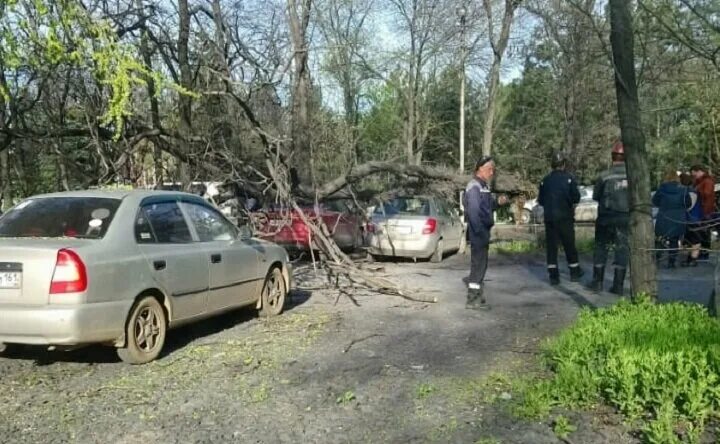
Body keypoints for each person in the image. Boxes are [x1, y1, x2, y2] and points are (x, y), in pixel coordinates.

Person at [464, 156, 507, 310]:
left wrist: (498, 203)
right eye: (489, 169)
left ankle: (477, 296)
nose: (491, 172)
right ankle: (472, 300)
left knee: (481, 265)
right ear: (480, 169)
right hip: (479, 231)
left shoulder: (483, 186)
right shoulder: (474, 186)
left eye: (492, 170)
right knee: (478, 265)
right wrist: (479, 232)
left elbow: (486, 206)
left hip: (482, 230)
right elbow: (474, 212)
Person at [588, 141, 630, 295]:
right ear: (626, 157)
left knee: (601, 247)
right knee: (622, 249)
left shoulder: (604, 175)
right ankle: (618, 286)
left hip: (605, 217)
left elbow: (595, 196)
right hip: (625, 217)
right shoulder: (632, 175)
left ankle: (597, 282)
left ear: (612, 156)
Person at [537, 152, 583, 285]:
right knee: (569, 245)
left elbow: (541, 200)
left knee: (551, 248)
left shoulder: (544, 180)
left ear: (552, 165)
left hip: (550, 219)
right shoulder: (569, 179)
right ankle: (574, 273)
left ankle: (553, 276)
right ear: (563, 164)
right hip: (565, 218)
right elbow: (576, 198)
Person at [652, 170, 690, 268]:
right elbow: (688, 203)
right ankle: (671, 262)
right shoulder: (684, 189)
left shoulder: (662, 189)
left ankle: (657, 259)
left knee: (660, 239)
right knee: (674, 240)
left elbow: (655, 201)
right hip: (678, 217)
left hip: (664, 216)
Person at [690, 165, 715, 260]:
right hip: (700, 210)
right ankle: (701, 252)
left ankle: (704, 253)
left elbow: (707, 194)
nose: (694, 176)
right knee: (700, 232)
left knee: (704, 232)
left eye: (694, 173)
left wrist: (697, 190)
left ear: (699, 171)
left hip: (705, 210)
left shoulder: (707, 181)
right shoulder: (700, 181)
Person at [680, 173, 703, 267]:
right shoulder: (690, 191)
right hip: (692, 218)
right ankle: (691, 258)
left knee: (695, 239)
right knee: (691, 239)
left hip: (693, 219)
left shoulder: (691, 192)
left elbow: (690, 206)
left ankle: (693, 259)